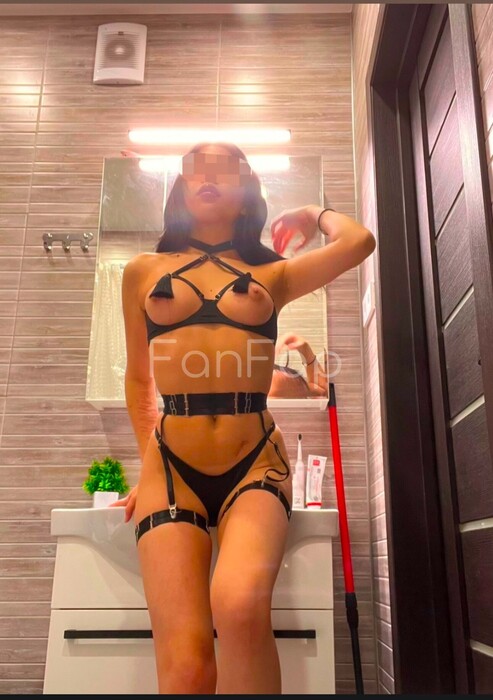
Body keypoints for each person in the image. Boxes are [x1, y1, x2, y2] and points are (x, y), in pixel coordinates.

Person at [111, 141, 376, 694]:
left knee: (238, 606)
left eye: (225, 169)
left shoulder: (271, 273)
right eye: (196, 169)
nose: (209, 177)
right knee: (187, 666)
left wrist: (311, 212)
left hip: (255, 463)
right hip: (170, 468)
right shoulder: (141, 271)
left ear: (247, 187)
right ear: (180, 186)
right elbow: (138, 381)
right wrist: (145, 465)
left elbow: (358, 242)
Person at [270, 332, 328, 398]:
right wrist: (305, 351)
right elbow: (321, 392)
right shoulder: (276, 377)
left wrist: (305, 349)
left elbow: (321, 392)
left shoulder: (277, 377)